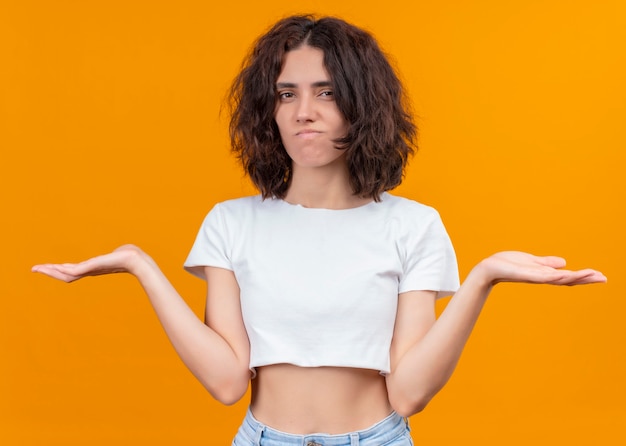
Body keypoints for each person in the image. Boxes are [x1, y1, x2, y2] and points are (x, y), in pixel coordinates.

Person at [31, 15, 606, 446]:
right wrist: (140, 265)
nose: (303, 110)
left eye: (326, 92)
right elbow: (228, 382)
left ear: (363, 106)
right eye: (287, 94)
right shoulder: (231, 223)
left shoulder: (413, 225)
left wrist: (483, 278)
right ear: (269, 110)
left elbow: (408, 394)